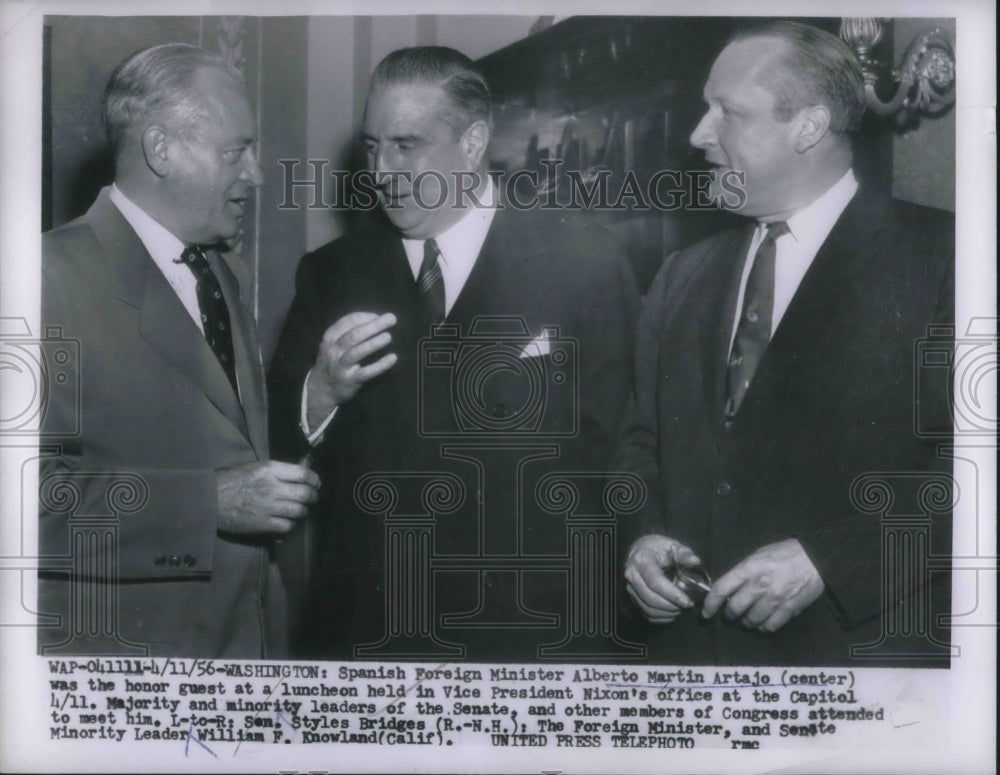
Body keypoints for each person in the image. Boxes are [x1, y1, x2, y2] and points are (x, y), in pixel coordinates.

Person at [268, 46, 638, 661]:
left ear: (472, 143)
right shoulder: (330, 274)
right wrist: (321, 390)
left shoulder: (585, 261)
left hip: (533, 634)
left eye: (406, 145)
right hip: (366, 633)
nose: (382, 170)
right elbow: (273, 440)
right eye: (371, 146)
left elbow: (622, 449)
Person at [616, 21, 953, 666]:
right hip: (693, 669)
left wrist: (831, 561)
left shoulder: (945, 259)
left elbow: (975, 475)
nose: (698, 135)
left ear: (809, 127)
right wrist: (641, 538)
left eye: (727, 112)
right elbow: (640, 443)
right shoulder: (680, 275)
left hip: (860, 669)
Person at [38, 43, 320, 658]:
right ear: (161, 149)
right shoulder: (41, 278)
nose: (256, 173)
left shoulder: (225, 273)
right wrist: (209, 503)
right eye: (234, 152)